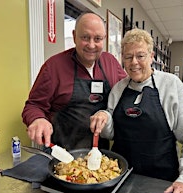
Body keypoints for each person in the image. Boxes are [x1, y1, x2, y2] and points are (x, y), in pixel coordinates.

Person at [90, 28, 183, 193]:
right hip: (119, 179)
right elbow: (111, 133)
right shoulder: (119, 88)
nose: (134, 62)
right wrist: (104, 116)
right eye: (128, 57)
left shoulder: (170, 85)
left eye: (140, 56)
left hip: (162, 182)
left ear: (152, 56)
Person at [22, 12, 126, 150]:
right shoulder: (54, 66)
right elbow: (34, 105)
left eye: (97, 39)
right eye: (85, 37)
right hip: (62, 154)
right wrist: (37, 119)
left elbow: (126, 92)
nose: (91, 45)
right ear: (74, 36)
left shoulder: (111, 62)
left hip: (101, 156)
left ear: (104, 39)